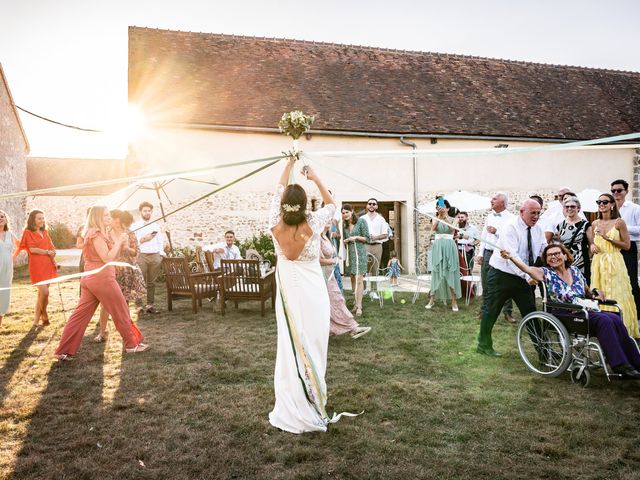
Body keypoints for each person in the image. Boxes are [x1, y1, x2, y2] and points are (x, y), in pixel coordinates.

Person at [268, 157, 347, 434]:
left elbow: (277, 190)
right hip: (313, 292)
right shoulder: (313, 221)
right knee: (312, 342)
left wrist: (287, 166)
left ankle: (294, 399)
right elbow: (333, 205)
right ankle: (313, 397)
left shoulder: (273, 221)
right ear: (304, 205)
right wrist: (314, 177)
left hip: (287, 292)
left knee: (290, 345)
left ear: (283, 204)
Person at [501, 243, 640, 379]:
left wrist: (596, 292)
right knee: (604, 320)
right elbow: (526, 269)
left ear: (565, 256)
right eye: (549, 255)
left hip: (584, 309)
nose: (553, 257)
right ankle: (620, 365)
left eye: (557, 253)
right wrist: (511, 257)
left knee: (614, 317)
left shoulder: (575, 271)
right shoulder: (546, 273)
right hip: (563, 312)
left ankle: (635, 361)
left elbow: (588, 292)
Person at [53, 206, 149, 361]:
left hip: (91, 277)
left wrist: (120, 242)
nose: (109, 217)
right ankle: (132, 345)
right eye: (105, 215)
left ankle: (63, 351)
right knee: (121, 310)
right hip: (102, 278)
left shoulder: (95, 233)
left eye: (108, 215)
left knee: (80, 315)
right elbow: (107, 258)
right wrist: (118, 243)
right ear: (97, 217)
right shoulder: (96, 234)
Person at [477, 199, 546, 357]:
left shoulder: (538, 229)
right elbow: (511, 256)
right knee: (491, 311)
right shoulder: (510, 227)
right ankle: (483, 344)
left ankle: (544, 352)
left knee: (531, 313)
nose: (535, 216)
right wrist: (527, 275)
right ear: (522, 212)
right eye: (532, 213)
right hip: (501, 275)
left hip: (523, 277)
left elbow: (543, 248)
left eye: (538, 213)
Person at [93, 209, 147, 343]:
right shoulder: (106, 235)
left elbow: (136, 252)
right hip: (113, 271)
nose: (108, 220)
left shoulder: (129, 233)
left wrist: (127, 248)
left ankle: (127, 334)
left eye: (110, 217)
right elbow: (106, 255)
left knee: (125, 303)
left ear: (116, 220)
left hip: (128, 272)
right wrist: (117, 246)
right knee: (106, 303)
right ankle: (101, 332)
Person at [590, 193, 639, 339]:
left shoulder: (619, 222)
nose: (601, 204)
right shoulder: (594, 223)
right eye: (599, 202)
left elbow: (627, 245)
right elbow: (593, 242)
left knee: (617, 293)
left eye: (605, 202)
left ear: (612, 204)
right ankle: (604, 330)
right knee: (600, 293)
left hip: (615, 261)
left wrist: (608, 238)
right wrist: (592, 246)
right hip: (598, 262)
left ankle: (622, 329)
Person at [320, 223, 371, 338]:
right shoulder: (317, 238)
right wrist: (333, 261)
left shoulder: (325, 236)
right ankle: (352, 328)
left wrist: (335, 259)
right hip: (322, 276)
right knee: (336, 300)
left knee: (335, 300)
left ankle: (334, 329)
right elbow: (318, 259)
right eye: (326, 219)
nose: (329, 221)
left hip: (330, 274)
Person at [477, 192, 517, 323]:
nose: (491, 200)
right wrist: (480, 253)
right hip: (488, 253)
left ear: (502, 203)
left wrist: (497, 232)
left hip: (501, 254)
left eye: (494, 199)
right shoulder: (489, 216)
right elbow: (483, 236)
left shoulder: (512, 218)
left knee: (505, 283)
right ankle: (485, 311)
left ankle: (507, 312)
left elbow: (511, 238)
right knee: (486, 282)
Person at [18, 210, 58, 327]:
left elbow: (52, 247)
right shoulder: (28, 232)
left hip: (48, 265)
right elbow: (32, 249)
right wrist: (47, 252)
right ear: (33, 220)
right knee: (45, 293)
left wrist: (53, 252)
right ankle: (44, 314)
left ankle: (36, 320)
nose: (42, 220)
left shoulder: (44, 232)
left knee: (41, 294)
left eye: (43, 218)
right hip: (37, 266)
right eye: (39, 218)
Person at [610, 179, 640, 319]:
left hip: (628, 248)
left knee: (631, 281)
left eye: (619, 190)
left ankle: (637, 315)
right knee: (615, 280)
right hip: (612, 247)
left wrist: (623, 228)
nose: (616, 193)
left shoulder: (635, 208)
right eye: (613, 191)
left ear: (626, 192)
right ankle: (619, 314)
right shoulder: (609, 208)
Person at [425, 199, 461, 311]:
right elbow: (433, 230)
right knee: (436, 271)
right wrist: (439, 217)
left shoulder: (455, 219)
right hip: (438, 246)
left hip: (449, 246)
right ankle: (432, 300)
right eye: (438, 207)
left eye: (442, 207)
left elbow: (451, 228)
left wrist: (445, 217)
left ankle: (454, 301)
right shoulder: (435, 219)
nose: (440, 209)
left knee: (451, 271)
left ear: (448, 208)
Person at [131, 201, 164, 313]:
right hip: (142, 255)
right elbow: (133, 242)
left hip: (155, 255)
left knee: (151, 282)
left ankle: (150, 305)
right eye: (145, 211)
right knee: (140, 281)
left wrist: (160, 255)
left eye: (149, 211)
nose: (147, 213)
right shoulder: (135, 226)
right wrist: (145, 239)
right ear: (140, 212)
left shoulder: (156, 225)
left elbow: (160, 240)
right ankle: (139, 306)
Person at [556, 196, 593, 283]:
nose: (570, 208)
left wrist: (589, 260)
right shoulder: (560, 225)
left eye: (573, 206)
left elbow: (592, 244)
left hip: (581, 264)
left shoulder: (585, 225)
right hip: (565, 263)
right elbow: (559, 245)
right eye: (567, 206)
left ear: (578, 209)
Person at [342, 204, 370, 317]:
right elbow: (346, 241)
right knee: (353, 280)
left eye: (347, 212)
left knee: (359, 280)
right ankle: (355, 303)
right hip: (351, 255)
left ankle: (359, 306)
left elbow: (368, 238)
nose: (345, 215)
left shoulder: (361, 222)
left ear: (352, 211)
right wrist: (346, 241)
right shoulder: (344, 226)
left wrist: (356, 238)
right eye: (343, 213)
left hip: (360, 254)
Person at [0, 211, 20, 326]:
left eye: (2, 216)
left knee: (3, 294)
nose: (0, 218)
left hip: (7, 268)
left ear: (6, 219)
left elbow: (20, 245)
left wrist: (13, 257)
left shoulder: (10, 234)